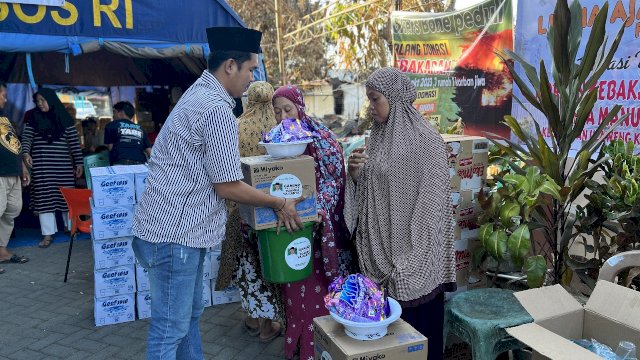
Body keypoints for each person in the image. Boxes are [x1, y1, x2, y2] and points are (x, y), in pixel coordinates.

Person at [130, 27, 303, 360]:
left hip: (176, 235)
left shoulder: (199, 95)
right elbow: (227, 185)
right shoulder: (217, 109)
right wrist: (279, 202)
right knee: (169, 331)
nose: (252, 78)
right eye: (251, 69)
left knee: (187, 320)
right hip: (174, 237)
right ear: (229, 66)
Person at [344, 68, 456, 360]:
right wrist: (356, 175)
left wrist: (409, 261)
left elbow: (432, 207)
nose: (371, 107)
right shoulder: (379, 137)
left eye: (375, 99)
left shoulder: (427, 142)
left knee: (417, 343)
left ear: (394, 98)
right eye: (369, 100)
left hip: (413, 262)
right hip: (380, 260)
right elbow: (376, 190)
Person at [272, 85, 354, 360]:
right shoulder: (274, 143)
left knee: (319, 296)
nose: (284, 117)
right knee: (294, 294)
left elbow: (335, 179)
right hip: (291, 230)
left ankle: (319, 351)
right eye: (278, 111)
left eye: (288, 109)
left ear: (300, 107)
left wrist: (318, 208)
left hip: (320, 233)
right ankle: (299, 348)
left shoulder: (322, 138)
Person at [214, 81, 283, 343]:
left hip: (240, 209)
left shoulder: (235, 127)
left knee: (248, 267)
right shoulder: (280, 130)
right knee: (268, 265)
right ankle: (269, 324)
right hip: (273, 208)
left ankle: (254, 319)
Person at [21, 88, 83, 249]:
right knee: (44, 199)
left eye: (43, 100)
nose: (40, 104)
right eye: (38, 101)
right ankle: (47, 235)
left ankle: (71, 229)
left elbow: (74, 143)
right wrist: (26, 153)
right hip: (42, 166)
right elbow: (27, 138)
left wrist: (79, 163)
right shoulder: (33, 118)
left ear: (51, 99)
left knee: (66, 197)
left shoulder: (64, 117)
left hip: (62, 166)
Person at [0, 82, 30, 274]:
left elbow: (13, 146)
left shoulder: (4, 120)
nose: (5, 98)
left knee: (12, 211)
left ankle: (1, 251)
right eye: (2, 94)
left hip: (13, 173)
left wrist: (23, 168)